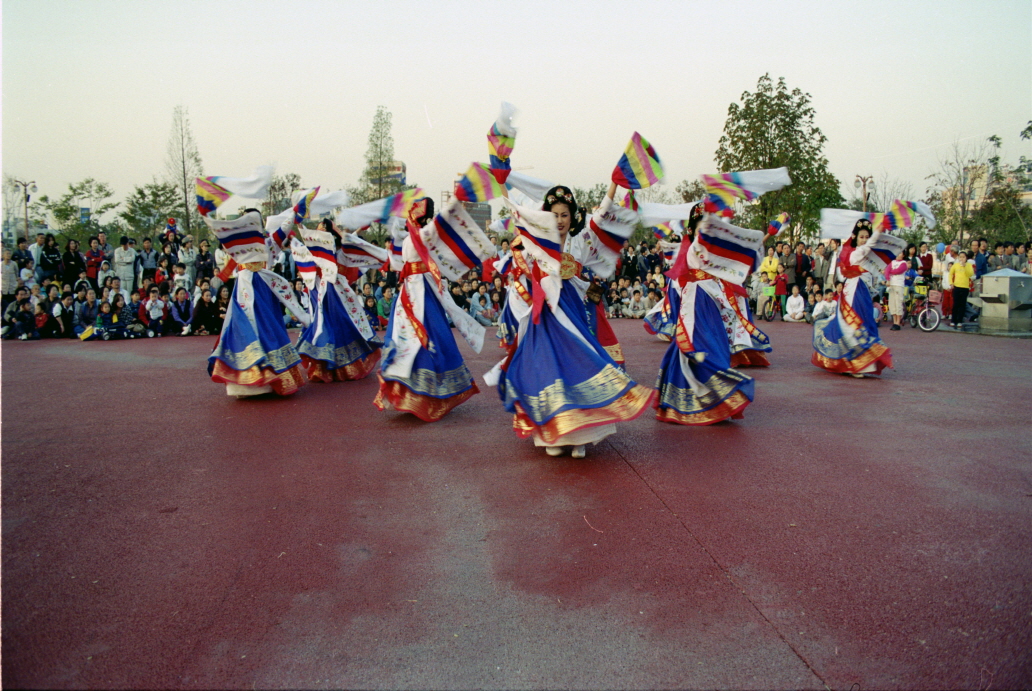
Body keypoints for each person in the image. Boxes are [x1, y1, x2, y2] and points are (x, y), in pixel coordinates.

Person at [491, 183, 653, 457]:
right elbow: (516, 214)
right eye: (554, 214)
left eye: (565, 214)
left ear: (572, 216)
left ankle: (580, 436)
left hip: (574, 314)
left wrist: (613, 184)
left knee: (578, 366)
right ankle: (552, 438)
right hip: (544, 317)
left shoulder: (582, 241)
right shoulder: (537, 240)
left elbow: (602, 213)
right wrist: (502, 180)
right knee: (547, 370)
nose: (559, 220)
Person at [375, 197, 491, 420]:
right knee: (405, 337)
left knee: (430, 336)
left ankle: (429, 393)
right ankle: (408, 391)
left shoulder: (425, 234)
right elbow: (397, 259)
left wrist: (455, 202)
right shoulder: (410, 234)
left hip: (422, 290)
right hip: (410, 291)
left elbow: (442, 230)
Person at [207, 209, 311, 397]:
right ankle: (248, 383)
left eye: (256, 219)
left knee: (269, 331)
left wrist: (295, 211)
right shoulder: (237, 243)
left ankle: (271, 381)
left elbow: (284, 229)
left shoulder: (268, 242)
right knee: (243, 331)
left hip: (264, 292)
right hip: (243, 292)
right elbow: (221, 238)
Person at [294, 219, 383, 383]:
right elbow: (305, 239)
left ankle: (345, 367)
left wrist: (358, 227)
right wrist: (299, 225)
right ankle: (323, 368)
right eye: (319, 226)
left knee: (340, 323)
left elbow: (351, 240)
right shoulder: (313, 247)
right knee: (321, 326)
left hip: (335, 291)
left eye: (324, 227)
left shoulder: (337, 248)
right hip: (318, 290)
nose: (319, 228)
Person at [811, 219, 895, 377]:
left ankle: (860, 363)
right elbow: (861, 257)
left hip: (862, 292)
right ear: (855, 237)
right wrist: (880, 229)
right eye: (862, 237)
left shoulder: (868, 255)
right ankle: (851, 363)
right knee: (851, 326)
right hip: (853, 292)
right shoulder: (856, 252)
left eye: (866, 237)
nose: (864, 240)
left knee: (864, 323)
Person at [949, 251, 975, 327]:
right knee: (955, 304)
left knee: (962, 305)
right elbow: (950, 273)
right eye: (960, 257)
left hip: (965, 287)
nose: (962, 258)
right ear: (958, 258)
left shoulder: (969, 265)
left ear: (966, 258)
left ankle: (960, 320)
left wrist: (964, 266)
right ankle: (953, 320)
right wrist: (951, 283)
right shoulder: (955, 265)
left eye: (963, 257)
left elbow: (970, 274)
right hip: (957, 286)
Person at [884, 253, 908, 330]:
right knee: (892, 303)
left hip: (899, 285)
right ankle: (894, 321)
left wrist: (891, 271)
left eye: (900, 253)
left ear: (903, 255)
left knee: (898, 303)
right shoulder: (892, 262)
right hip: (892, 285)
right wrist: (888, 279)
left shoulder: (904, 263)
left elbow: (898, 271)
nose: (898, 254)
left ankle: (898, 322)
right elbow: (887, 271)